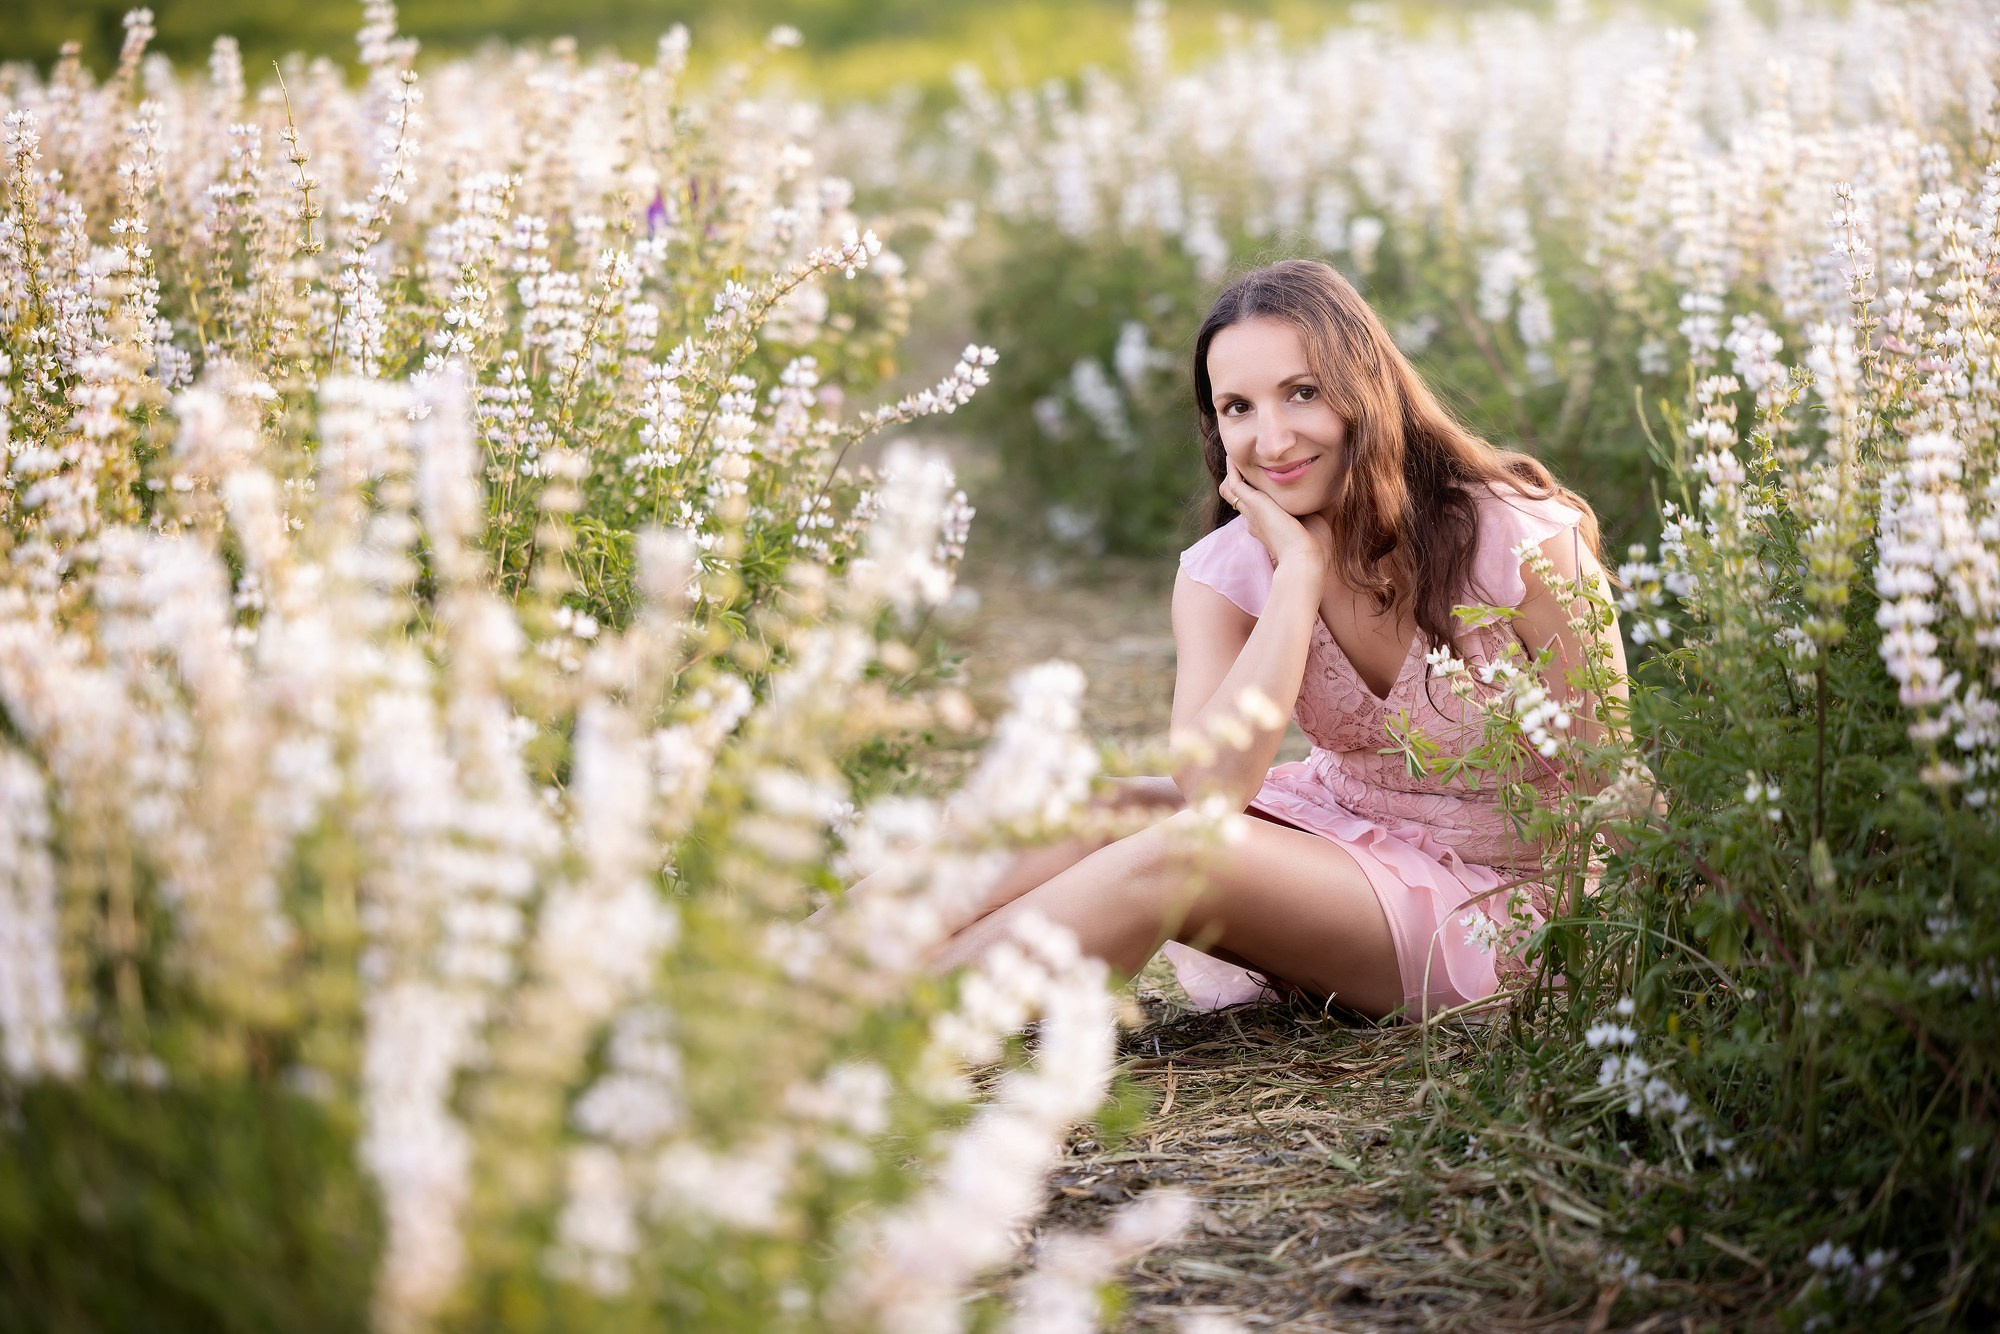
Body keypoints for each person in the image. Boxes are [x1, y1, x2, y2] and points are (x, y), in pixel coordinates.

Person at [930, 258, 1628, 1021]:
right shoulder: (1228, 571)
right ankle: (814, 974)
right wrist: (1298, 573)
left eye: (1302, 393)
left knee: (1181, 857)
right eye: (1237, 407)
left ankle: (892, 1034)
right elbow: (1212, 787)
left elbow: (1610, 781)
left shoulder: (1521, 543)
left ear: (1365, 387)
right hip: (1345, 850)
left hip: (1503, 908)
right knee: (1104, 807)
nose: (1272, 438)